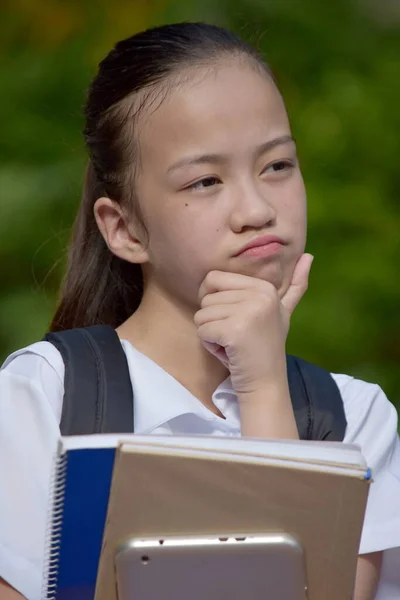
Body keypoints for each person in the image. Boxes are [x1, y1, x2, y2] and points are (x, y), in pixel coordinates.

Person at [0, 22, 399, 600]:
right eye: (206, 180)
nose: (257, 208)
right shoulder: (44, 397)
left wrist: (263, 389)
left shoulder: (354, 419)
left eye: (278, 165)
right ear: (125, 228)